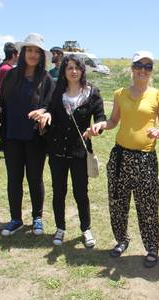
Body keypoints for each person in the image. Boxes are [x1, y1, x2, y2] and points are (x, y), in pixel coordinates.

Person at [86, 51, 159, 268]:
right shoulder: (120, 93)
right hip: (120, 156)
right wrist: (102, 125)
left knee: (147, 206)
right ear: (132, 68)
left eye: (148, 66)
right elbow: (113, 120)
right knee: (118, 203)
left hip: (146, 159)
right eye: (139, 65)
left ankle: (152, 247)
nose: (143, 70)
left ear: (151, 71)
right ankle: (122, 240)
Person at [39, 54, 106, 247]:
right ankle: (60, 228)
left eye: (77, 67)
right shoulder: (56, 91)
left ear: (83, 70)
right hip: (57, 151)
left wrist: (97, 128)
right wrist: (46, 115)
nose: (74, 71)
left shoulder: (92, 93)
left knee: (80, 193)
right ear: (64, 71)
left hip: (79, 153)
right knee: (59, 191)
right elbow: (48, 109)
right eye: (69, 68)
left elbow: (101, 118)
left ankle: (86, 229)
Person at [0, 33, 55, 236]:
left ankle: (37, 217)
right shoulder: (11, 75)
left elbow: (52, 106)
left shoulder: (46, 78)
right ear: (22, 53)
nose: (32, 54)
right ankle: (15, 219)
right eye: (28, 50)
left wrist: (45, 112)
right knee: (14, 178)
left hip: (35, 138)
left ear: (41, 55)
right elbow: (1, 102)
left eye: (36, 51)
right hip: (12, 135)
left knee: (34, 178)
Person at [0, 42, 19, 163]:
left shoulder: (3, 67)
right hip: (7, 103)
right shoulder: (7, 69)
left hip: (6, 102)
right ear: (13, 54)